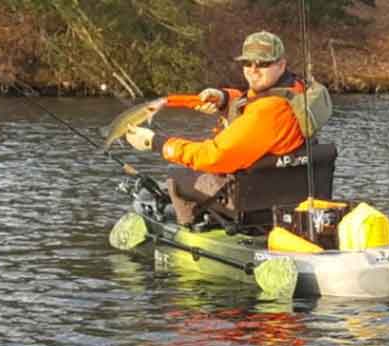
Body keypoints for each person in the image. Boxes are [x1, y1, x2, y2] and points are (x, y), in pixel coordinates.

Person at [125, 31, 306, 226]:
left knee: (174, 177)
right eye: (247, 63)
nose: (253, 70)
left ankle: (189, 226)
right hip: (276, 188)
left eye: (263, 64)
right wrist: (224, 99)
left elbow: (213, 156)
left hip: (250, 196)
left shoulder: (269, 111)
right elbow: (250, 102)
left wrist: (155, 142)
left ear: (281, 64)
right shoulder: (296, 89)